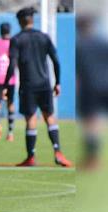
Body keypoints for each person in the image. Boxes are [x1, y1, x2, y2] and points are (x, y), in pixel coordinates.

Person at [4, 7, 72, 167]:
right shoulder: (44, 37)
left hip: (28, 86)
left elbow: (12, 64)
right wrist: (58, 83)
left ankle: (31, 157)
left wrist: (7, 86)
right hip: (44, 84)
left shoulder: (17, 40)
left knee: (31, 118)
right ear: (32, 20)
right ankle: (58, 152)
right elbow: (56, 60)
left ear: (20, 21)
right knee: (49, 117)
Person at [76, 15, 108, 170]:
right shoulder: (103, 43)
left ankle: (92, 160)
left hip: (90, 88)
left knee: (91, 123)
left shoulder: (80, 46)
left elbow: (79, 72)